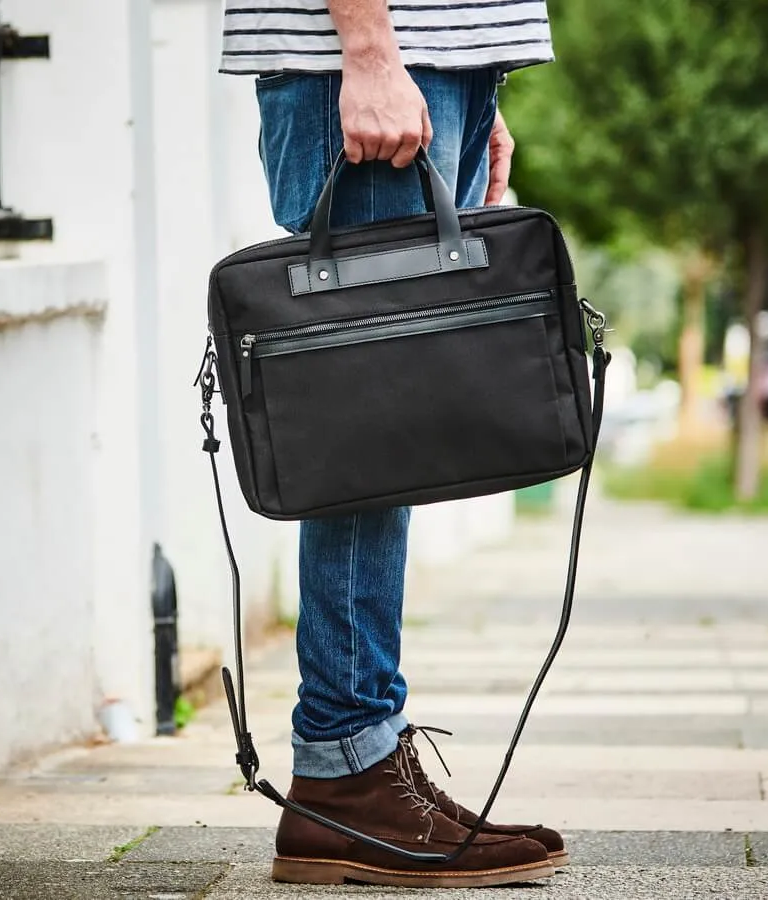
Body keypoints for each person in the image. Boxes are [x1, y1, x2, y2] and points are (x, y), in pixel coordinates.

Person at [220, 0, 567, 887]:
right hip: (369, 53)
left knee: (387, 428)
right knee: (367, 429)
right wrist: (370, 47)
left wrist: (474, 77)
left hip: (429, 63)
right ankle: (345, 765)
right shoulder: (366, 52)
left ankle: (361, 751)